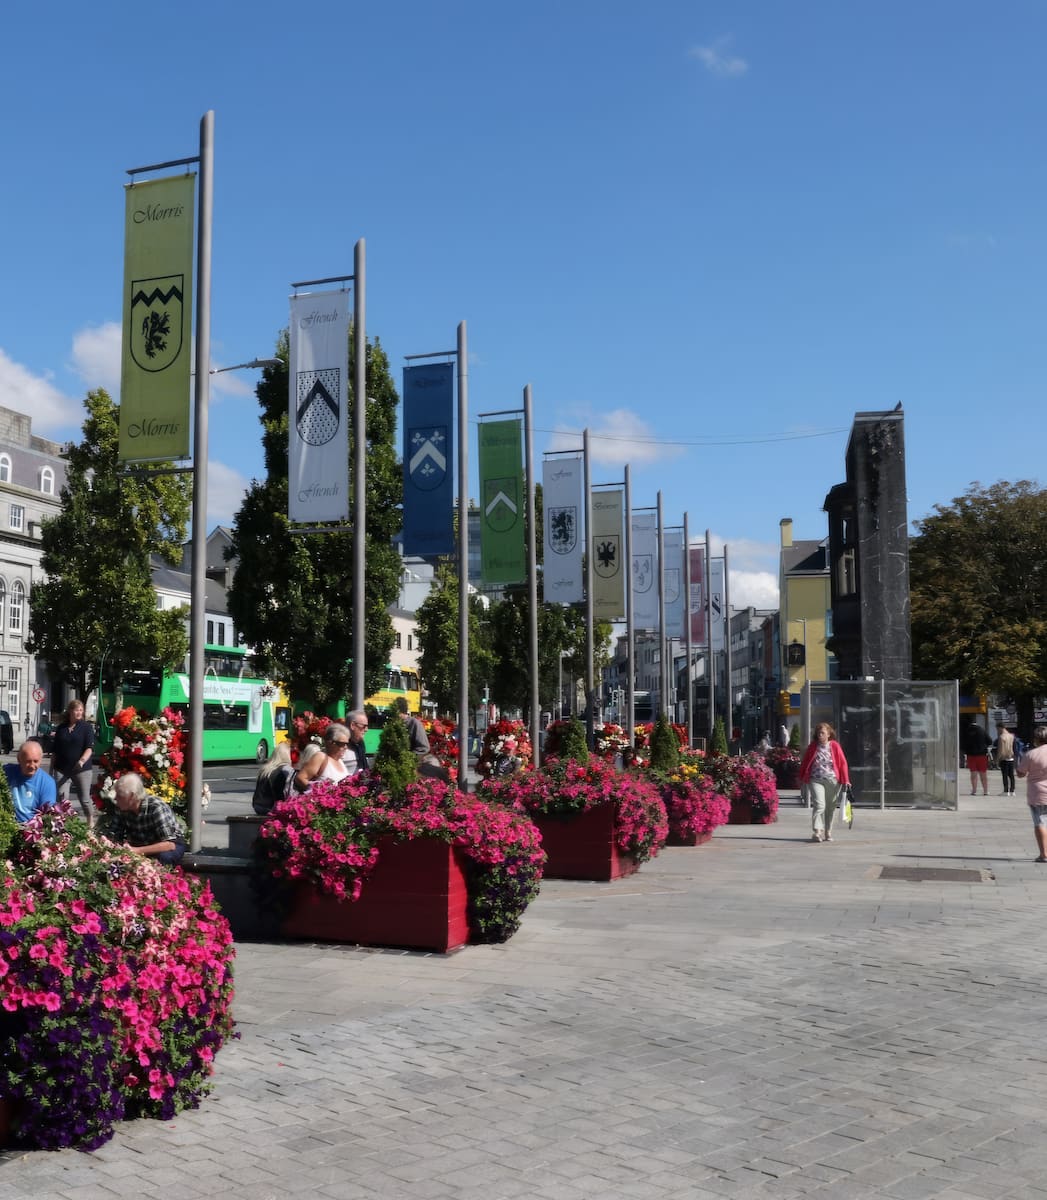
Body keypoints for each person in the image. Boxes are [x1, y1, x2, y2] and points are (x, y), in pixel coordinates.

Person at [108, 773, 187, 865]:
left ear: (132, 797)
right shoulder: (122, 807)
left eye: (120, 796)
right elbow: (113, 835)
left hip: (166, 846)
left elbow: (170, 844)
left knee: (164, 857)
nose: (116, 799)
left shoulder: (156, 808)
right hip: (140, 846)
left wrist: (136, 851)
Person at [799, 722, 850, 843]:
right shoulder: (813, 746)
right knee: (819, 804)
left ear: (828, 734)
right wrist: (801, 777)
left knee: (830, 807)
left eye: (822, 733)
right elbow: (805, 762)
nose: (820, 735)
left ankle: (828, 831)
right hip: (815, 779)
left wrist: (846, 780)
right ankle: (817, 831)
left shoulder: (835, 746)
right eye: (818, 733)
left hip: (832, 780)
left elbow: (842, 763)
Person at [50, 698, 96, 827]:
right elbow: (55, 751)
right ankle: (64, 824)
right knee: (62, 799)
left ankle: (90, 821)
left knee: (85, 799)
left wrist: (82, 760)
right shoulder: (61, 728)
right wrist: (51, 769)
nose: (79, 712)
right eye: (77, 710)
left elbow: (89, 748)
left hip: (81, 769)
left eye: (81, 710)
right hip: (62, 769)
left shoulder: (86, 728)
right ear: (70, 711)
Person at [5, 739, 57, 823]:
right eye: (28, 761)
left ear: (41, 759)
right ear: (19, 759)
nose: (32, 766)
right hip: (6, 824)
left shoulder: (47, 783)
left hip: (30, 829)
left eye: (36, 761)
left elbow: (47, 815)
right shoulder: (7, 771)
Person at [1016, 725, 1047, 862]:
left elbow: (1021, 773)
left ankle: (1044, 854)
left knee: (1040, 822)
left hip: (1038, 794)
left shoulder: (1031, 754)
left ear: (1036, 739)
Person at [294, 723, 355, 791]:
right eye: (342, 744)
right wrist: (319, 793)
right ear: (330, 743)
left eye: (347, 744)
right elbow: (300, 778)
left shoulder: (339, 761)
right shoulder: (320, 757)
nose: (346, 747)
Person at [252, 742, 295, 815]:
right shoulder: (283, 770)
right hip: (270, 807)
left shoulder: (265, 769)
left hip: (257, 805)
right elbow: (281, 794)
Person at [962, 719, 991, 796]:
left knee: (973, 773)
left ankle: (974, 790)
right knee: (983, 774)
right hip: (982, 755)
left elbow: (963, 743)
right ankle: (985, 791)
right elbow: (990, 741)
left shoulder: (967, 731)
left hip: (971, 756)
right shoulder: (982, 730)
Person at [994, 722, 1020, 797]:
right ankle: (1012, 790)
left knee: (1004, 775)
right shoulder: (1012, 736)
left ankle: (1006, 791)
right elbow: (1014, 748)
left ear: (1000, 728)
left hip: (1004, 758)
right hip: (1011, 757)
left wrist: (997, 760)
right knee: (1011, 775)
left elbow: (1000, 750)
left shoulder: (1001, 737)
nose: (997, 730)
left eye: (997, 729)